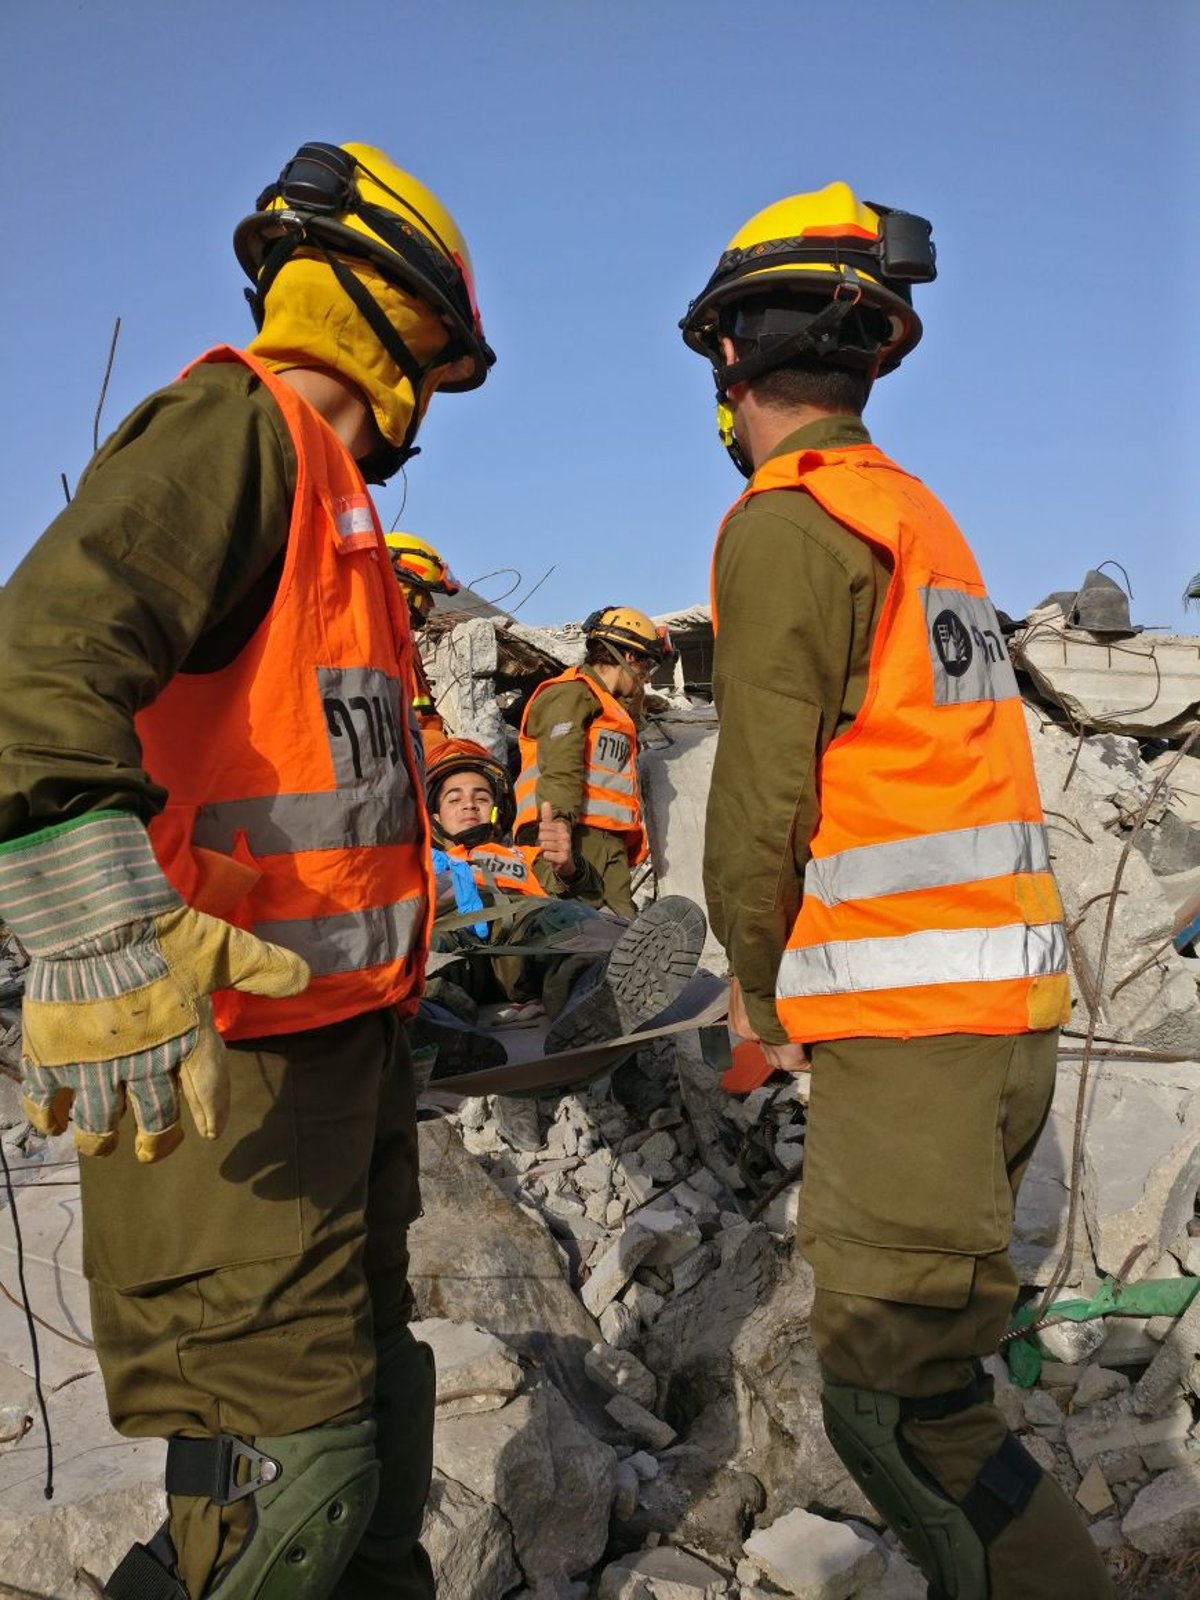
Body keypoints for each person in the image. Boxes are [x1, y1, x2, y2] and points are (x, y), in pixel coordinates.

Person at [0, 140, 495, 1599]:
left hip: (336, 1065)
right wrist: (89, 920)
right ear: (402, 319)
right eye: (438, 362)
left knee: (368, 1448)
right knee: (274, 1484)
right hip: (220, 1079)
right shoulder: (236, 428)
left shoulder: (333, 513)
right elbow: (34, 664)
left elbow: (317, 816)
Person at [681, 183, 1112, 1599]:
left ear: (733, 360)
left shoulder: (788, 522)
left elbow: (761, 801)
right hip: (1002, 1021)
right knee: (935, 1381)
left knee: (905, 1407)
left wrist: (753, 984)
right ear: (872, 353)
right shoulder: (916, 519)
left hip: (913, 1026)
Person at [422, 739, 706, 1058]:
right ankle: (437, 1030)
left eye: (482, 796)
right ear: (433, 815)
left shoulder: (521, 855)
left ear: (497, 809)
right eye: (454, 798)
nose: (469, 805)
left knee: (564, 917)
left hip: (520, 951)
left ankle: (593, 995)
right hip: (455, 950)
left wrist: (569, 868)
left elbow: (583, 895)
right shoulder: (420, 863)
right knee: (424, 951)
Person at [513, 607, 673, 918]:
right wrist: (557, 828)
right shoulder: (571, 694)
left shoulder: (607, 707)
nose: (645, 677)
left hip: (605, 844)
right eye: (646, 665)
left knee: (621, 939)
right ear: (629, 658)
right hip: (572, 838)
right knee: (581, 938)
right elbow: (561, 767)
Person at [384, 532, 462, 754]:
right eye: (424, 593)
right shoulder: (374, 644)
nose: (430, 604)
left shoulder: (405, 644)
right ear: (401, 589)